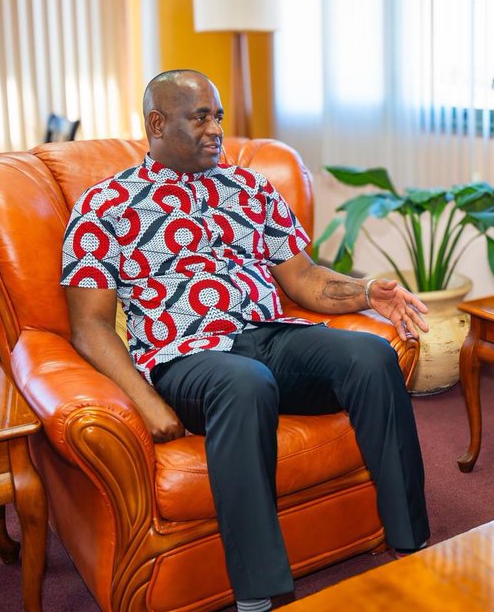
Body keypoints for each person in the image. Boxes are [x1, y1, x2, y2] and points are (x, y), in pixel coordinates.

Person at [61, 69, 431, 612]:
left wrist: (365, 291)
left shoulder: (251, 189)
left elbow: (304, 280)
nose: (216, 129)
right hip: (188, 358)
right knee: (244, 382)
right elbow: (88, 325)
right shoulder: (105, 206)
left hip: (271, 337)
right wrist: (145, 400)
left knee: (371, 355)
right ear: (157, 124)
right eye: (200, 117)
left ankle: (412, 544)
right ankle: (260, 595)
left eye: (218, 117)